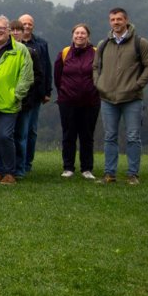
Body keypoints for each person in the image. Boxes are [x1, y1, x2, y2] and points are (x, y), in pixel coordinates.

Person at [92, 7, 148, 185]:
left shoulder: (140, 43)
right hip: (107, 98)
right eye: (112, 20)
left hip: (132, 99)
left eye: (119, 19)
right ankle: (109, 174)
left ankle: (132, 174)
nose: (116, 23)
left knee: (133, 137)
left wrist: (137, 85)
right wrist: (98, 83)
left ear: (126, 20)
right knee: (109, 137)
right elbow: (96, 67)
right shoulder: (104, 44)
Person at [0, 16, 34, 185]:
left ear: (9, 30)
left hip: (9, 104)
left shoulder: (20, 50)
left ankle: (10, 173)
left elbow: (26, 77)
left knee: (5, 136)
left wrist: (16, 96)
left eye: (2, 28)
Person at [54, 24, 100, 180]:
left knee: (87, 136)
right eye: (77, 33)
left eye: (83, 33)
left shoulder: (96, 53)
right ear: (72, 35)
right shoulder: (65, 53)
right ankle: (68, 167)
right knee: (69, 135)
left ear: (88, 36)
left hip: (90, 101)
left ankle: (87, 169)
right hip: (67, 101)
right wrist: (64, 93)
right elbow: (58, 76)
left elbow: (101, 74)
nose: (80, 36)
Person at [15, 14, 52, 178]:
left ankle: (26, 163)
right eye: (24, 23)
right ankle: (17, 163)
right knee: (18, 131)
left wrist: (47, 91)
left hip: (34, 94)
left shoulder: (40, 45)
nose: (27, 26)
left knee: (31, 130)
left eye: (30, 23)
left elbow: (45, 69)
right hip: (13, 95)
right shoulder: (11, 46)